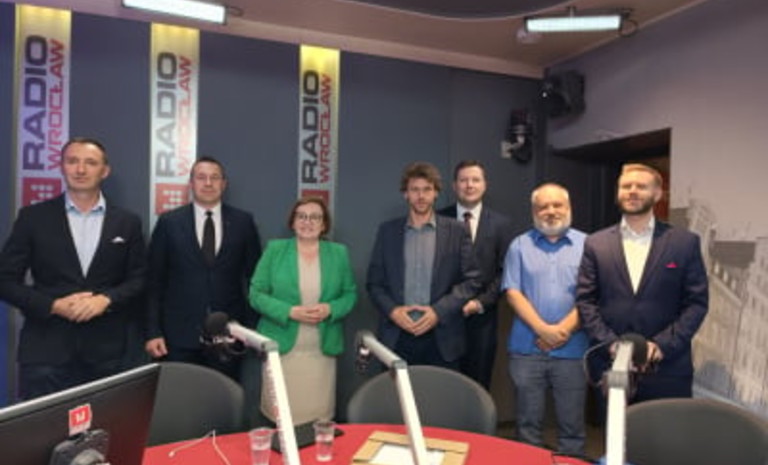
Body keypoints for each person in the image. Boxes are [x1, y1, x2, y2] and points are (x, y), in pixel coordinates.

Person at [0, 137, 146, 400]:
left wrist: (106, 299)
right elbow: (5, 280)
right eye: (72, 161)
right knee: (42, 426)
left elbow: (139, 279)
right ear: (61, 166)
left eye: (90, 162)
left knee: (106, 424)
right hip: (46, 352)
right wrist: (53, 305)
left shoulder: (127, 222)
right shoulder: (33, 217)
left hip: (106, 354)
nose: (80, 169)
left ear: (105, 171)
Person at [576, 163, 708, 403]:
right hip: (611, 366)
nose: (632, 191)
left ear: (657, 194)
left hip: (667, 369)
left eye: (641, 186)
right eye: (626, 186)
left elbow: (696, 303)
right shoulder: (596, 243)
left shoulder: (684, 243)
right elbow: (585, 301)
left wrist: (662, 345)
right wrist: (610, 345)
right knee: (616, 429)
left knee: (665, 429)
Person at [145, 156, 262, 380]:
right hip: (177, 337)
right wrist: (153, 332)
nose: (208, 183)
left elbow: (254, 279)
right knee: (180, 398)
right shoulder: (169, 222)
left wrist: (249, 330)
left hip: (228, 335)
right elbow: (154, 282)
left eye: (214, 177)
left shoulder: (243, 222)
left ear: (223, 184)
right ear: (191, 183)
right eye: (201, 177)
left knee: (224, 398)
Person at [249, 197, 357, 424]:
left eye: (315, 217)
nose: (308, 222)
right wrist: (289, 311)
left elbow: (350, 294)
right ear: (293, 221)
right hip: (281, 350)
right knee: (282, 418)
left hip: (321, 353)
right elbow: (256, 294)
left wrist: (330, 308)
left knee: (318, 419)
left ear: (324, 224)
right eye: (302, 216)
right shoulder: (275, 250)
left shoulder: (338, 253)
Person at [502, 183, 589, 457]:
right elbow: (513, 292)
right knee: (527, 425)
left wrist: (562, 330)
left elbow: (593, 296)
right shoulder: (519, 245)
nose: (551, 211)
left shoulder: (589, 245)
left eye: (557, 205)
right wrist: (543, 329)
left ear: (569, 207)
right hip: (527, 349)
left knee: (572, 426)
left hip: (573, 349)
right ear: (534, 212)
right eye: (543, 206)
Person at [366, 162, 481, 369]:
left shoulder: (457, 231)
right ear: (405, 194)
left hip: (442, 338)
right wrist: (393, 312)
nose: (421, 196)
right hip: (397, 336)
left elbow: (471, 281)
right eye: (415, 190)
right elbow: (374, 283)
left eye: (427, 189)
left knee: (439, 392)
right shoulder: (387, 231)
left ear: (436, 193)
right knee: (395, 392)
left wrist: (438, 312)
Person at [438, 160, 514, 389]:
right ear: (454, 185)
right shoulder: (438, 219)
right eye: (463, 180)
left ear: (484, 185)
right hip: (444, 319)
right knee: (443, 387)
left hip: (482, 321)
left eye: (475, 180)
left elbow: (505, 271)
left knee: (478, 386)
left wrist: (480, 302)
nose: (469, 185)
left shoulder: (501, 224)